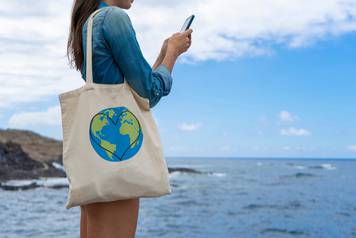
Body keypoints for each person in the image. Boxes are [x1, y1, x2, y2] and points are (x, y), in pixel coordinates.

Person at [66, 0, 193, 237]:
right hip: (118, 164)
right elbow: (150, 94)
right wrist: (173, 54)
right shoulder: (113, 17)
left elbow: (136, 89)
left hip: (99, 163)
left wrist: (162, 55)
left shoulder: (89, 21)